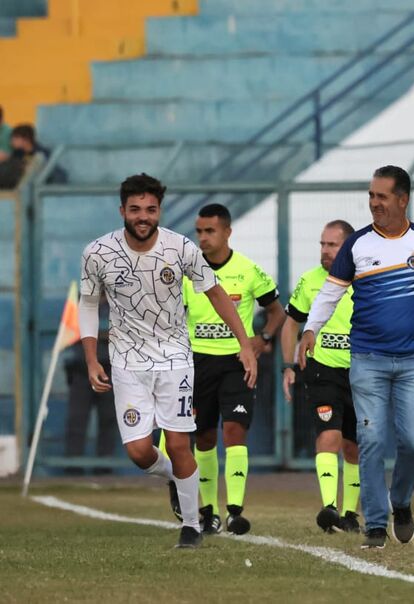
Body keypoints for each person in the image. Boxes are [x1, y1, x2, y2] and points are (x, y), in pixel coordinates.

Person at [79, 173, 257, 549]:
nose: (143, 216)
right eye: (135, 209)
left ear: (159, 210)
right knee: (139, 452)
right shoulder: (98, 253)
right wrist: (92, 358)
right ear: (122, 211)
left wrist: (244, 341)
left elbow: (215, 292)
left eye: (151, 209)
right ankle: (179, 481)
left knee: (179, 444)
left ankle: (192, 526)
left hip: (175, 356)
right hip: (126, 361)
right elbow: (89, 304)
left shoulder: (181, 249)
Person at [298, 165, 414, 549]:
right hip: (368, 361)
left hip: (413, 363)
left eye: (382, 196)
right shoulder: (357, 245)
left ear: (402, 199)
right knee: (371, 439)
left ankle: (402, 502)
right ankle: (375, 523)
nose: (374, 203)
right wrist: (311, 328)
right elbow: (329, 293)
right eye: (371, 196)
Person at [182, 203, 285, 535]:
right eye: (199, 231)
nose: (203, 238)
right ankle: (208, 510)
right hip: (198, 362)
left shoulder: (247, 270)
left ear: (227, 231)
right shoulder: (189, 273)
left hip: (236, 363)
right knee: (205, 436)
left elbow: (276, 311)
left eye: (210, 231)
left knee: (235, 431)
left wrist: (262, 338)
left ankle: (235, 511)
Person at [281, 219, 361, 534]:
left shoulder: (365, 280)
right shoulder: (310, 281)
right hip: (321, 370)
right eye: (322, 244)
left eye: (332, 245)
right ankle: (329, 508)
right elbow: (290, 323)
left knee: (355, 447)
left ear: (349, 248)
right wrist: (288, 365)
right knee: (329, 436)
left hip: (361, 372)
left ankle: (350, 514)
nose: (325, 251)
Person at [64, 318, 117, 474]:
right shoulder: (80, 301)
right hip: (81, 370)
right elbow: (71, 331)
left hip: (109, 370)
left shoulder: (115, 301)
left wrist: (92, 334)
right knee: (76, 419)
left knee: (108, 420)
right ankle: (73, 467)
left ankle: (104, 468)